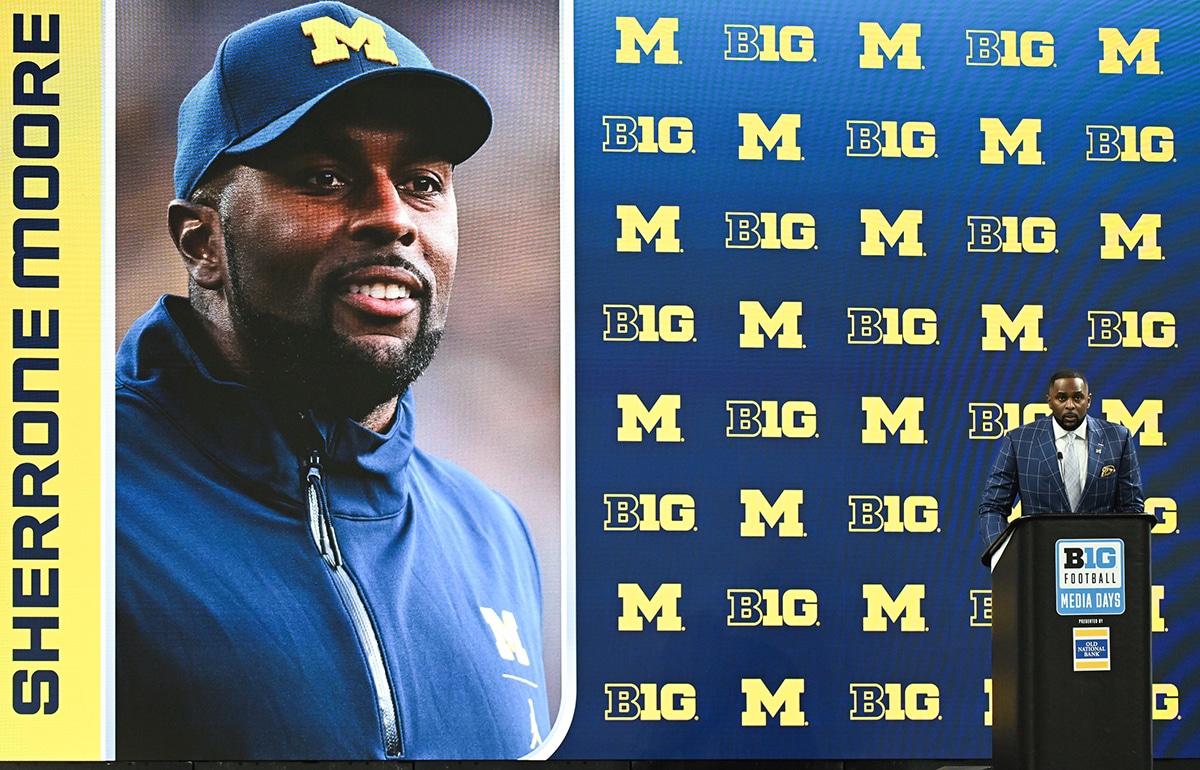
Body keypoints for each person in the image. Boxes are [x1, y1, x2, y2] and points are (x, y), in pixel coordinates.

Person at [115, 2, 549, 759]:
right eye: (325, 176)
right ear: (201, 241)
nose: (392, 217)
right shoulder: (56, 505)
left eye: (421, 182)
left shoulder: (493, 534)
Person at [977, 368, 1145, 547]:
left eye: (1078, 398)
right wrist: (1003, 552)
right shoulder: (1019, 441)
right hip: (1038, 559)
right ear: (1049, 402)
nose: (1070, 405)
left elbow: (1132, 510)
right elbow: (992, 508)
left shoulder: (1118, 438)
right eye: (1062, 398)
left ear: (1088, 401)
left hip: (1099, 562)